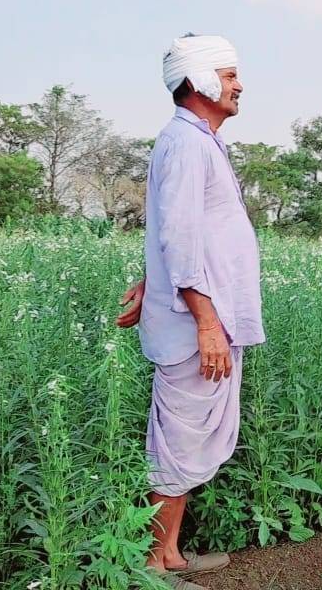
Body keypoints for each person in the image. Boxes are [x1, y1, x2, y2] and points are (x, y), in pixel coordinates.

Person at [115, 33, 264, 589]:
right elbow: (180, 238)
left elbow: (178, 234)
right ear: (198, 82)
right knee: (178, 443)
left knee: (191, 439)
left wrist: (151, 279)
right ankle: (155, 565)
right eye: (228, 75)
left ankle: (171, 553)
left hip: (203, 317)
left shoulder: (199, 142)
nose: (238, 84)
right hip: (195, 325)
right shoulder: (187, 144)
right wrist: (206, 322)